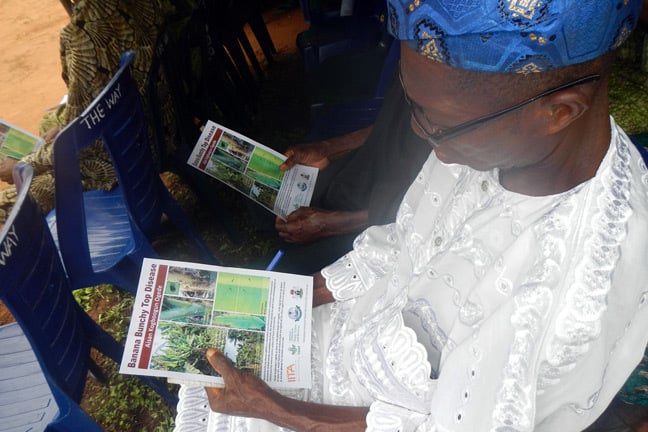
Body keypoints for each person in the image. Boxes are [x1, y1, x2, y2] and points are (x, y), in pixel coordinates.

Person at [201, 0, 648, 431]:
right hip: (356, 335)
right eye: (412, 104)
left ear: (558, 113)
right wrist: (291, 298)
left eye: (435, 121)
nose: (418, 132)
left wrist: (274, 409)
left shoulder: (570, 287)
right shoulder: (479, 140)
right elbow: (404, 241)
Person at [0, 0, 161, 224]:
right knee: (50, 123)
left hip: (125, 158)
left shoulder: (82, 33)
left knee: (8, 202)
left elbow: (75, 137)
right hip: (156, 120)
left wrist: (23, 165)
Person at [273, 77, 430, 274]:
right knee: (273, 208)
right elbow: (392, 120)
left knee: (289, 271)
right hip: (362, 171)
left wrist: (334, 224)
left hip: (387, 223)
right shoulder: (417, 55)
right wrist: (329, 148)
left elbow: (425, 206)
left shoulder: (458, 106)